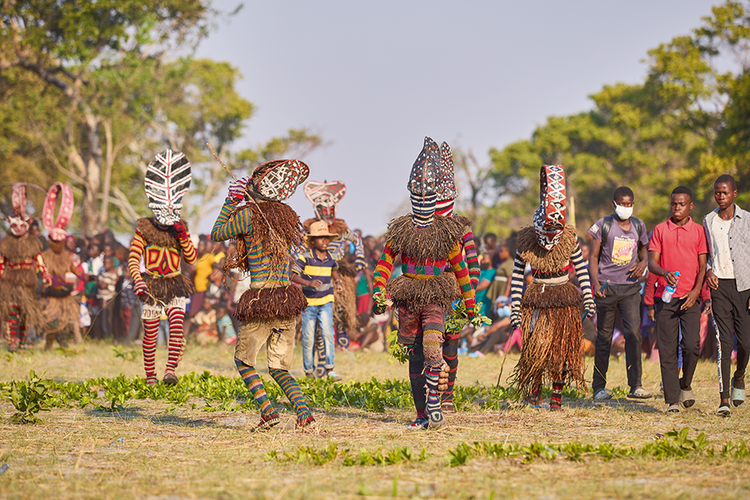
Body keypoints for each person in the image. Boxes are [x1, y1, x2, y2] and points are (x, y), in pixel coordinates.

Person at [372, 137, 476, 430]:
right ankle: (421, 415)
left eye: (427, 196)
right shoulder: (401, 229)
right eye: (417, 196)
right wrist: (380, 291)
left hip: (435, 297)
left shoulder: (446, 232)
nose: (422, 201)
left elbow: (461, 269)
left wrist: (470, 304)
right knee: (416, 358)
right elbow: (384, 262)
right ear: (410, 195)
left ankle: (434, 404)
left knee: (433, 348)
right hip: (407, 298)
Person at [210, 158, 315, 431]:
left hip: (261, 300)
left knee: (243, 361)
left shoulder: (248, 215)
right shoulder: (287, 216)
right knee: (279, 367)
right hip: (286, 299)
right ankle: (305, 416)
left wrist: (231, 201)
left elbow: (217, 233)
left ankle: (268, 412)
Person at [509, 165, 595, 410]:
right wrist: (516, 309)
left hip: (564, 300)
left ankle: (556, 399)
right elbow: (517, 277)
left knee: (561, 348)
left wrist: (587, 297)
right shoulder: (525, 241)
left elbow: (581, 270)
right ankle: (535, 393)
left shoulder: (569, 238)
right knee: (536, 347)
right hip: (537, 298)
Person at [128, 149, 198, 385]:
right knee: (150, 333)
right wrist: (138, 279)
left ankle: (170, 371)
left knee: (177, 326)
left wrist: (184, 237)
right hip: (151, 283)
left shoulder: (180, 229)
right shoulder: (144, 229)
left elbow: (192, 258)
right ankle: (150, 377)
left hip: (175, 283)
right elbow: (133, 258)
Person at [647, 186, 708, 413]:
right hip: (665, 298)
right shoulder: (660, 229)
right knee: (668, 349)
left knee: (692, 345)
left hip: (690, 298)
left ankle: (685, 384)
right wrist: (664, 272)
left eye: (681, 204)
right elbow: (652, 263)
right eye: (673, 204)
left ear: (690, 206)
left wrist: (696, 292)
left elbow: (703, 267)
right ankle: (672, 400)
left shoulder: (699, 231)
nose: (677, 208)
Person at [588, 186, 652, 400]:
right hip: (607, 288)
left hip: (630, 289)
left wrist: (643, 262)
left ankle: (636, 386)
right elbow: (593, 257)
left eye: (629, 204)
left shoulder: (638, 225)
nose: (626, 207)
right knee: (604, 337)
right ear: (613, 204)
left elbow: (644, 250)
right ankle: (599, 388)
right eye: (622, 204)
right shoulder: (603, 225)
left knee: (633, 334)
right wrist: (595, 284)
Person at [703, 174, 750, 416]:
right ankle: (723, 400)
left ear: (735, 194)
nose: (720, 196)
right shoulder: (708, 220)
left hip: (744, 287)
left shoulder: (747, 220)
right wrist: (709, 270)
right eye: (717, 193)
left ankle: (739, 377)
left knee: (745, 342)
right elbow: (706, 254)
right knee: (724, 342)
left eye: (725, 192)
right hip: (719, 287)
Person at [302, 180, 365, 348]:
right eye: (324, 210)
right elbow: (299, 247)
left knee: (342, 304)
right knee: (319, 308)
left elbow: (357, 240)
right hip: (316, 273)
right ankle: (319, 338)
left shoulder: (341, 228)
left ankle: (342, 327)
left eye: (331, 209)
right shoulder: (310, 229)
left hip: (339, 273)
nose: (328, 213)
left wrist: (360, 257)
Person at [292, 220, 344, 380]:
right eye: (321, 238)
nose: (325, 241)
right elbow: (292, 274)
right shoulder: (305, 257)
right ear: (313, 240)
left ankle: (330, 369)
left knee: (328, 333)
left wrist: (338, 282)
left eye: (326, 238)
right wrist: (308, 283)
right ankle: (309, 372)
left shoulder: (331, 257)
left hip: (326, 300)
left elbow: (333, 269)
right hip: (309, 303)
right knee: (309, 337)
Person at [0, 184, 50, 351]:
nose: (18, 229)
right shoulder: (6, 242)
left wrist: (46, 275)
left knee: (25, 312)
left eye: (22, 226)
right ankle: (13, 341)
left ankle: (20, 340)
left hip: (28, 281)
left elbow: (39, 260)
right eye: (15, 226)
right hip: (10, 280)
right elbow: (1, 261)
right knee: (12, 309)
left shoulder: (33, 242)